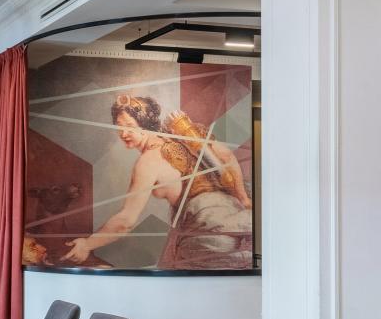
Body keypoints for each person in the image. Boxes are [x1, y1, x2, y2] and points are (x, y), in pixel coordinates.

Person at [61, 93, 253, 270]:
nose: (123, 133)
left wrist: (87, 244)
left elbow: (125, 221)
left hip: (207, 233)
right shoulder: (182, 135)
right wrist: (243, 199)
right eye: (119, 126)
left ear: (144, 124)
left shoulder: (148, 162)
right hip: (238, 217)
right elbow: (228, 158)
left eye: (129, 126)